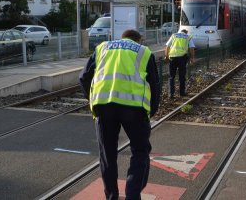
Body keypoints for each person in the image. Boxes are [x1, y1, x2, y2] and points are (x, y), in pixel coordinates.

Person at [79, 29, 161, 199]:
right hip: (134, 109)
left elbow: (84, 77)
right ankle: (132, 194)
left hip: (104, 107)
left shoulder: (102, 48)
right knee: (140, 150)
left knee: (107, 154)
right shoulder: (143, 52)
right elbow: (154, 86)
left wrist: (93, 99)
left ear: (122, 38)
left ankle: (111, 196)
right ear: (138, 40)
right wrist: (150, 112)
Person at [165, 29, 195, 98]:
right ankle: (182, 93)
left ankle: (171, 94)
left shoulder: (174, 35)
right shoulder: (188, 36)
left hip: (172, 58)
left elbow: (167, 46)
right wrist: (192, 58)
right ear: (186, 32)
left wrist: (166, 56)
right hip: (182, 58)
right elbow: (191, 48)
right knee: (182, 76)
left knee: (171, 77)